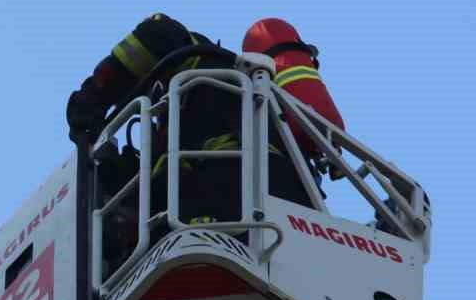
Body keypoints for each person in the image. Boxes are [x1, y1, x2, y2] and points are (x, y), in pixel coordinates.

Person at [65, 14, 348, 226]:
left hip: (226, 184)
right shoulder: (256, 104)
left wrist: (92, 97)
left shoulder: (198, 60)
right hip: (289, 203)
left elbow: (153, 33)